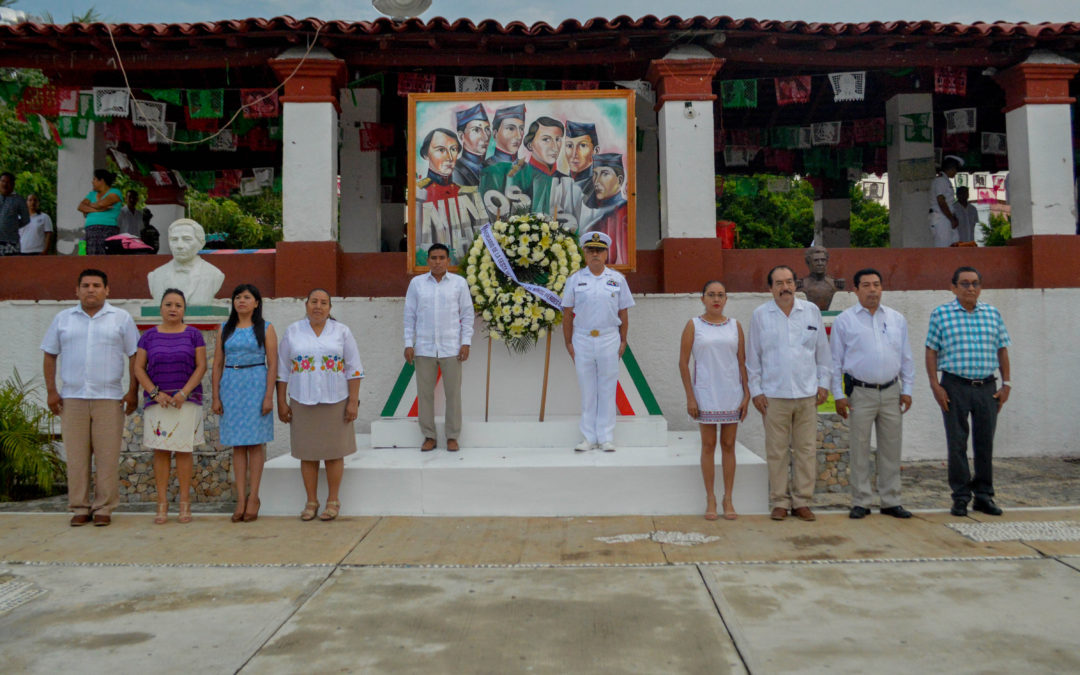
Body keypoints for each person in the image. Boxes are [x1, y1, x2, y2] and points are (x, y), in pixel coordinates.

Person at [41, 269, 139, 527]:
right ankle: (80, 507)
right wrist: (51, 391)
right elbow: (50, 354)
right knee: (76, 457)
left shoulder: (121, 318)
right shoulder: (63, 319)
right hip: (72, 398)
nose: (91, 290)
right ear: (77, 290)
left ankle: (104, 507)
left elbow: (134, 355)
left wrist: (132, 391)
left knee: (107, 456)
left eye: (96, 285)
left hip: (109, 398)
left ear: (107, 290)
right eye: (85, 285)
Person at [747, 265, 832, 522]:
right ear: (770, 288)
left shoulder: (811, 311)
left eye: (789, 282)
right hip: (773, 395)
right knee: (777, 451)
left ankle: (802, 501)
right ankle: (780, 502)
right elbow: (753, 358)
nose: (785, 288)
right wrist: (756, 391)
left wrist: (824, 384)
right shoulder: (761, 315)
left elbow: (823, 353)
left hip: (807, 394)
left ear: (796, 284)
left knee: (806, 450)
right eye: (779, 283)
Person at [925, 266, 1011, 517]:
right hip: (955, 386)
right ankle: (961, 497)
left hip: (987, 388)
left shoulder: (992, 314)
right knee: (957, 443)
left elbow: (1002, 349)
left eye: (975, 283)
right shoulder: (941, 314)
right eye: (964, 283)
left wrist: (1007, 384)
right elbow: (931, 350)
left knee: (985, 444)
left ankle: (984, 496)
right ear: (953, 287)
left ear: (980, 287)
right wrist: (935, 385)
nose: (970, 288)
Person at [830, 269, 915, 520]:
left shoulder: (896, 319)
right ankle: (861, 501)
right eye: (866, 285)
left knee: (891, 448)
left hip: (891, 392)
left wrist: (907, 390)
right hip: (860, 393)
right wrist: (838, 395)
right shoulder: (845, 320)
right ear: (855, 290)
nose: (872, 290)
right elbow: (835, 362)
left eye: (876, 284)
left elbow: (906, 357)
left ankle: (891, 501)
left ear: (882, 288)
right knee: (859, 449)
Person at [277, 289, 364, 521]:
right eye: (314, 302)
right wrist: (281, 402)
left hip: (336, 399)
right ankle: (311, 501)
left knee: (335, 453)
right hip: (301, 400)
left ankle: (333, 500)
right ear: (306, 305)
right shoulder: (293, 331)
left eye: (324, 303)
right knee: (308, 454)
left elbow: (354, 368)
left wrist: (353, 401)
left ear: (330, 308)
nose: (318, 306)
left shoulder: (342, 331)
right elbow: (282, 370)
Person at [133, 288, 207, 525]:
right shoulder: (148, 337)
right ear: (161, 308)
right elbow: (138, 368)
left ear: (184, 310)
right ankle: (162, 504)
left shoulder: (194, 335)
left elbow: (201, 366)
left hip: (186, 402)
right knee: (161, 451)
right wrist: (155, 393)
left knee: (184, 451)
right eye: (168, 304)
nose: (173, 309)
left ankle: (184, 503)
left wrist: (184, 392)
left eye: (178, 305)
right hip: (158, 403)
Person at [678, 280, 750, 520]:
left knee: (728, 445)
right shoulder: (694, 325)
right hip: (705, 393)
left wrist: (747, 394)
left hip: (731, 392)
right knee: (708, 445)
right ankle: (710, 498)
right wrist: (690, 396)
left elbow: (742, 362)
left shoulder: (735, 326)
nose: (716, 299)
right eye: (711, 295)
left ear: (726, 299)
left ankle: (728, 498)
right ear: (703, 298)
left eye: (720, 295)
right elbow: (683, 363)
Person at [561, 231, 634, 453]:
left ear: (606, 253)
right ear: (584, 253)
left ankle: (606, 437)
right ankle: (588, 437)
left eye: (599, 250)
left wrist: (623, 340)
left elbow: (623, 312)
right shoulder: (575, 280)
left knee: (607, 388)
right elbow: (567, 313)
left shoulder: (617, 279)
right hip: (582, 338)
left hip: (609, 338)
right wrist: (569, 343)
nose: (595, 254)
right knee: (587, 389)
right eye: (591, 250)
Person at [212, 284, 277, 522]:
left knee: (255, 444)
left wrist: (269, 395)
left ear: (256, 303)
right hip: (231, 385)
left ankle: (254, 497)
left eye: (247, 297)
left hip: (256, 384)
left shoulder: (266, 328)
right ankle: (240, 498)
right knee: (238, 445)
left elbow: (273, 364)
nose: (241, 301)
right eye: (237, 297)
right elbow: (217, 364)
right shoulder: (224, 328)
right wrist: (216, 395)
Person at [403, 243, 474, 453]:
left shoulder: (459, 283)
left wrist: (466, 342)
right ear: (428, 260)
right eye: (433, 258)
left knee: (453, 394)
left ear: (448, 260)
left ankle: (452, 436)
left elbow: (467, 314)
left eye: (442, 258)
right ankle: (429, 436)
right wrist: (408, 343)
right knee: (425, 394)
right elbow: (409, 315)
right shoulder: (417, 284)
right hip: (424, 347)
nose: (437, 261)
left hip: (451, 347)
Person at [147, 219, 226, 305]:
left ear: (201, 244)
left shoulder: (214, 274)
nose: (179, 246)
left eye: (187, 239)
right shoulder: (155, 276)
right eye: (174, 239)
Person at [581, 153, 629, 266]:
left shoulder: (624, 213)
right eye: (595, 174)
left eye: (605, 174)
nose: (597, 181)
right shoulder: (594, 214)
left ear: (620, 180)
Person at [77, 169, 123, 255]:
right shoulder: (92, 194)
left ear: (101, 180)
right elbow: (80, 207)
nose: (92, 182)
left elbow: (101, 204)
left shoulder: (115, 192)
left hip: (107, 229)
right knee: (91, 256)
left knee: (105, 256)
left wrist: (89, 207)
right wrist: (97, 209)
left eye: (94, 179)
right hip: (90, 230)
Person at [451, 103, 491, 188]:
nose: (486, 137)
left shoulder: (491, 167)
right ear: (462, 136)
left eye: (487, 129)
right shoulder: (455, 170)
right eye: (476, 130)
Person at [796, 245, 844, 311]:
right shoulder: (801, 284)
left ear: (827, 262)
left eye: (823, 260)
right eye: (816, 260)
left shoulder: (835, 284)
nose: (820, 263)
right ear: (808, 263)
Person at [929, 155, 962, 248]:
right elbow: (941, 201)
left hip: (946, 217)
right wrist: (951, 219)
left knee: (954, 243)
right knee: (943, 246)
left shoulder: (946, 181)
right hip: (941, 217)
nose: (956, 172)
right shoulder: (940, 181)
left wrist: (953, 218)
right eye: (956, 169)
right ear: (951, 168)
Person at [565, 120, 598, 204]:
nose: (574, 154)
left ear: (595, 151)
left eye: (582, 145)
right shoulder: (561, 182)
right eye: (569, 145)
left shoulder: (598, 187)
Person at [0, 171, 30, 256]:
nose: (5, 184)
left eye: (8, 182)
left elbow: (26, 219)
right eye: (3, 181)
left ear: (13, 185)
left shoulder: (19, 200)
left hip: (11, 242)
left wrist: (12, 225)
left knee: (11, 263)